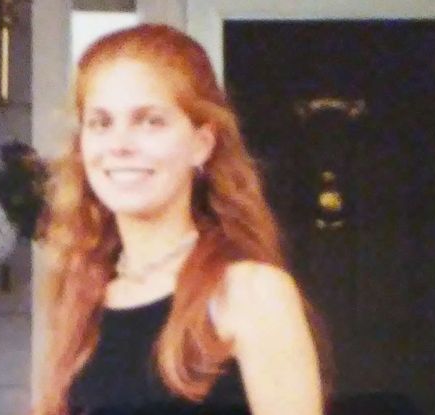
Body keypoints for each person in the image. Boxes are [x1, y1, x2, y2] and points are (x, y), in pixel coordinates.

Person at [32, 23, 328, 415]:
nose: (119, 145)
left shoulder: (251, 292)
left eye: (150, 121)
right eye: (101, 123)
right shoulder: (84, 299)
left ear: (201, 144)